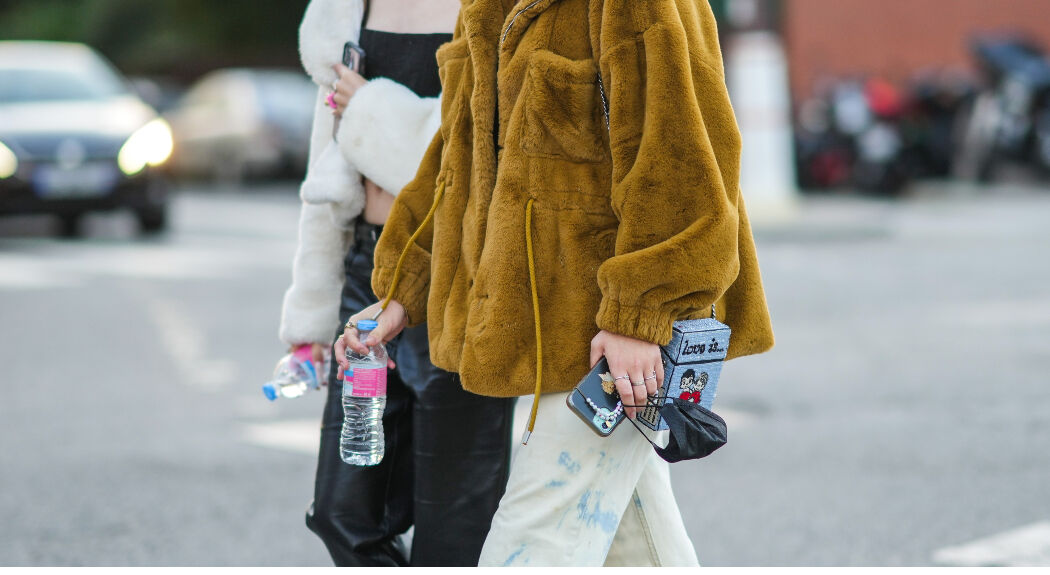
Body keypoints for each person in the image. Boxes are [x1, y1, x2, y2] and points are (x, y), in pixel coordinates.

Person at [339, 0, 775, 566]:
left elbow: (681, 167)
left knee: (530, 546)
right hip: (554, 335)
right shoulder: (486, 6)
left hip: (611, 341)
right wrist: (403, 288)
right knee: (640, 551)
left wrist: (638, 318)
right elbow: (456, 163)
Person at [279, 0, 515, 566]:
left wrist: (371, 108)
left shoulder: (497, 9)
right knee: (344, 516)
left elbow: (482, 154)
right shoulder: (343, 10)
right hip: (368, 273)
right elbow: (328, 174)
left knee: (454, 531)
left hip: (462, 275)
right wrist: (312, 315)